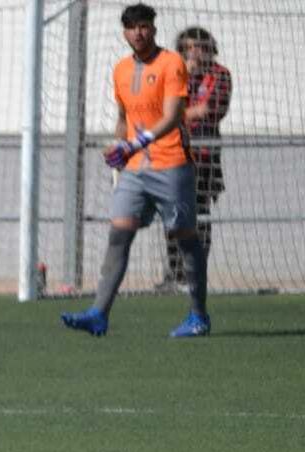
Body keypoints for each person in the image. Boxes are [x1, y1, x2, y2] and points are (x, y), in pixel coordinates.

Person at [62, 4, 209, 338]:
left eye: (144, 26)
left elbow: (173, 116)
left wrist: (135, 143)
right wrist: (119, 147)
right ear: (124, 32)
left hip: (171, 163)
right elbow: (123, 118)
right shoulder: (120, 70)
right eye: (132, 28)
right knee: (119, 233)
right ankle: (99, 313)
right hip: (134, 168)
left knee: (184, 239)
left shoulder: (172, 63)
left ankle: (198, 316)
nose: (138, 33)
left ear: (153, 30)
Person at [158, 26, 231, 291]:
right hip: (173, 154)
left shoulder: (220, 75)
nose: (194, 53)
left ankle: (195, 275)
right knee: (172, 214)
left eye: (198, 46)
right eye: (188, 48)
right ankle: (175, 275)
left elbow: (211, 110)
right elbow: (163, 110)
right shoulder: (174, 75)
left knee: (199, 215)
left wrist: (179, 114)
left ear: (209, 48)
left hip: (204, 158)